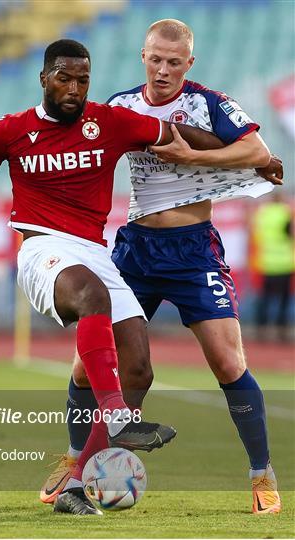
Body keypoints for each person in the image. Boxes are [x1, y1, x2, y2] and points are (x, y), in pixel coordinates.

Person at [0, 39, 235, 515]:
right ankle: (116, 415)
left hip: (93, 253)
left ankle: (75, 486)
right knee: (93, 298)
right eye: (64, 78)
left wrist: (245, 153)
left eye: (82, 80)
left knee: (139, 368)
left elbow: (177, 133)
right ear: (44, 79)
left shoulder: (110, 122)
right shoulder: (12, 131)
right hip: (41, 248)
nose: (74, 89)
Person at [40, 22, 283, 515]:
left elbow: (257, 152)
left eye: (175, 62)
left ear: (188, 64)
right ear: (143, 56)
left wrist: (193, 154)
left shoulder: (207, 102)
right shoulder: (121, 106)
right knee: (87, 366)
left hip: (193, 251)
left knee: (228, 362)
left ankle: (262, 474)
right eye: (156, 59)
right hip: (135, 250)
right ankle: (73, 460)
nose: (164, 69)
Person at [252, 191, 294, 341]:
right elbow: (291, 233)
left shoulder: (262, 213)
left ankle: (261, 330)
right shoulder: (286, 212)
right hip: (285, 262)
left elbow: (256, 235)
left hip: (266, 262)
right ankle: (281, 330)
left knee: (264, 299)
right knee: (284, 300)